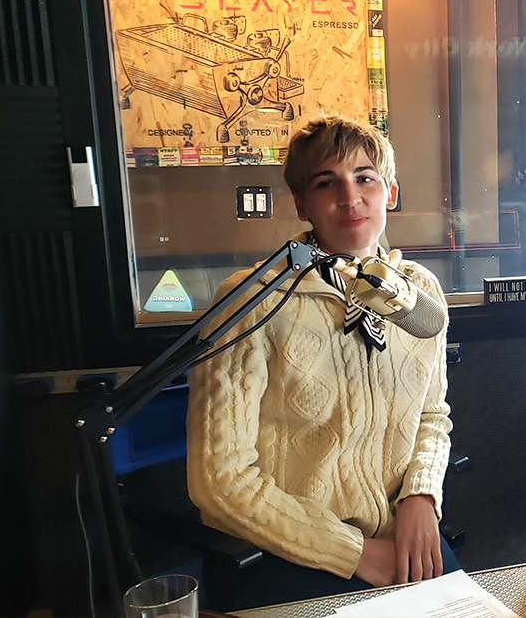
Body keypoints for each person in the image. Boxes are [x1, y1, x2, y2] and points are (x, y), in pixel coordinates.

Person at [187, 116, 456, 605]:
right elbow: (220, 482)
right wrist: (355, 553)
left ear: (390, 192)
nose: (350, 198)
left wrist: (421, 495)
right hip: (287, 549)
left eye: (365, 178)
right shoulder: (252, 301)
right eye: (326, 183)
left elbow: (432, 416)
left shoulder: (418, 294)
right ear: (302, 205)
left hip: (402, 534)